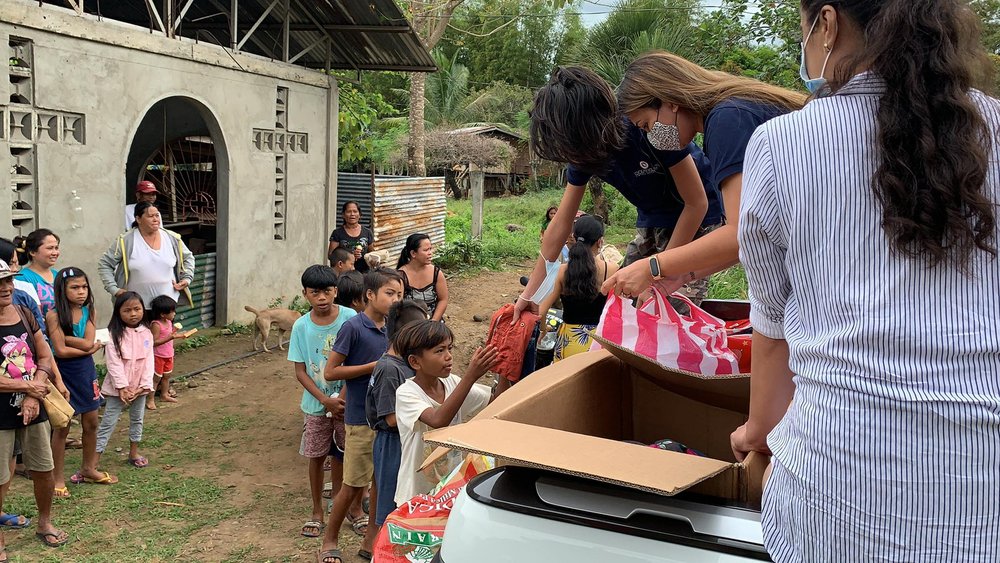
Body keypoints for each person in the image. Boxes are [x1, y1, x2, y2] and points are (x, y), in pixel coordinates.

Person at [729, 1, 1000, 560]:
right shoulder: (992, 126)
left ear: (826, 25)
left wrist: (756, 435)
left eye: (803, 29)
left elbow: (774, 329)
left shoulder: (781, 146)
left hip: (836, 504)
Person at [516, 66, 722, 318]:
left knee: (667, 310)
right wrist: (529, 295)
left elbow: (696, 203)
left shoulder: (647, 125)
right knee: (622, 303)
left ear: (590, 127)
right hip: (652, 218)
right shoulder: (581, 153)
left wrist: (658, 274)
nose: (573, 157)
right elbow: (560, 225)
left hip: (696, 220)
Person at [601, 51, 806, 300]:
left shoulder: (726, 121)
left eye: (646, 125)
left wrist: (653, 265)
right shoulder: (731, 113)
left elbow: (738, 233)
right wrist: (682, 275)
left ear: (669, 101)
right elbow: (755, 232)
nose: (650, 136)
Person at [318, 269, 403, 563]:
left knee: (380, 482)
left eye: (400, 295)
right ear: (370, 295)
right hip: (359, 419)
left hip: (386, 420)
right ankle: (329, 540)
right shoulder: (353, 328)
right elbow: (331, 372)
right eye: (389, 294)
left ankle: (370, 543)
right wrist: (372, 366)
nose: (395, 300)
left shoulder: (392, 329)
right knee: (352, 484)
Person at [0, 260, 70, 553]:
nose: (6, 288)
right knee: (1, 477)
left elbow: (43, 356)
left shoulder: (24, 312)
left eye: (8, 281)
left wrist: (32, 394)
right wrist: (28, 387)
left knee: (43, 468)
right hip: (1, 412)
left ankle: (44, 522)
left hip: (34, 405)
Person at [286, 265, 358, 539]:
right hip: (316, 407)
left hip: (348, 404)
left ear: (336, 291)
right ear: (305, 294)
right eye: (315, 293)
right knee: (316, 457)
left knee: (343, 455)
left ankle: (341, 506)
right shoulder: (301, 326)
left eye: (327, 291)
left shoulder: (350, 318)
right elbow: (300, 371)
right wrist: (324, 400)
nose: (322, 298)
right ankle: (317, 510)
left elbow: (358, 361)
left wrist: (341, 397)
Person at [394, 321, 497, 504]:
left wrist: (505, 369)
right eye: (439, 351)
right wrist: (470, 376)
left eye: (449, 349)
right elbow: (438, 420)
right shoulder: (407, 393)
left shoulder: (452, 383)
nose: (448, 356)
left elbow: (497, 401)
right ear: (415, 361)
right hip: (416, 495)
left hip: (450, 490)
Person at [45, 267, 117, 490]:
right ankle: (57, 478)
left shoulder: (89, 310)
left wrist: (73, 341)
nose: (81, 292)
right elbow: (60, 351)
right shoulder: (53, 315)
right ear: (62, 290)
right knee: (62, 425)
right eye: (75, 287)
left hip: (86, 371)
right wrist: (86, 347)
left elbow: (86, 341)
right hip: (63, 373)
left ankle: (88, 468)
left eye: (84, 287)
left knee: (92, 421)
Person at [365, 299, 429, 535]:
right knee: (393, 503)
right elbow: (391, 419)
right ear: (407, 335)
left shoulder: (405, 363)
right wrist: (426, 411)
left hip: (405, 441)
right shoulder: (390, 369)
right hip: (393, 444)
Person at [537, 216, 618, 361]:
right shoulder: (611, 270)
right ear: (600, 242)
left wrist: (543, 329)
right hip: (599, 342)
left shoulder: (562, 271)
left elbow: (541, 309)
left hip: (569, 342)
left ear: (573, 237)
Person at [98, 201, 195, 313]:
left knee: (165, 331)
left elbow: (188, 258)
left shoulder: (172, 238)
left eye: (157, 215)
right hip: (135, 309)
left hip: (166, 308)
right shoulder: (125, 241)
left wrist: (187, 278)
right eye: (150, 216)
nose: (155, 219)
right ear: (138, 219)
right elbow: (104, 264)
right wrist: (114, 289)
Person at [95, 291, 154, 469]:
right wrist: (122, 387)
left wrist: (143, 386)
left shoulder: (147, 333)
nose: (133, 314)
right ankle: (94, 460)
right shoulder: (113, 334)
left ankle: (133, 452)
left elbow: (149, 361)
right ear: (118, 312)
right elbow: (113, 363)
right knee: (108, 422)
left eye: (137, 309)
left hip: (139, 388)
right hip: (117, 390)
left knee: (137, 419)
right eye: (127, 310)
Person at [146, 296, 188, 410]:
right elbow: (153, 342)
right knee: (156, 379)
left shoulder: (169, 322)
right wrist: (169, 338)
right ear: (162, 314)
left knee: (166, 376)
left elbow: (170, 335)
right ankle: (150, 399)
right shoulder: (156, 325)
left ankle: (164, 395)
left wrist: (179, 335)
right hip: (158, 355)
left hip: (169, 354)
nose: (174, 313)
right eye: (172, 311)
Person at [396, 234, 449, 321]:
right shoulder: (400, 276)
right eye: (426, 250)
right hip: (409, 325)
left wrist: (434, 321)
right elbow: (397, 306)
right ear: (413, 253)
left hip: (433, 323)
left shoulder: (436, 273)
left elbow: (443, 300)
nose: (430, 253)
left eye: (430, 249)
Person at [13, 229, 60, 317]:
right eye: (50, 248)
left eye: (56, 248)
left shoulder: (58, 275)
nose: (55, 253)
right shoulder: (22, 278)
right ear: (32, 252)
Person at [328, 202, 375, 275]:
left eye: (355, 211)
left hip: (364, 273)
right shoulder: (337, 233)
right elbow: (331, 256)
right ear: (343, 215)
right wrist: (351, 256)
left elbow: (372, 254)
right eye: (349, 211)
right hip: (345, 274)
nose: (352, 214)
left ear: (359, 215)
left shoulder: (367, 232)